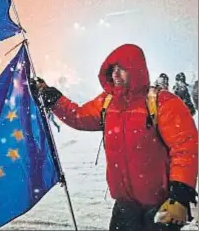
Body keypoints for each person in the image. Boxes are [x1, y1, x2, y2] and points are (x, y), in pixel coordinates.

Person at [30, 44, 198, 231]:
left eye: (123, 69)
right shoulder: (107, 102)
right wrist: (54, 98)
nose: (116, 75)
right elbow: (79, 116)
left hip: (161, 206)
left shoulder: (162, 102)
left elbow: (185, 148)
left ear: (137, 69)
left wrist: (180, 196)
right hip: (125, 206)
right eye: (113, 70)